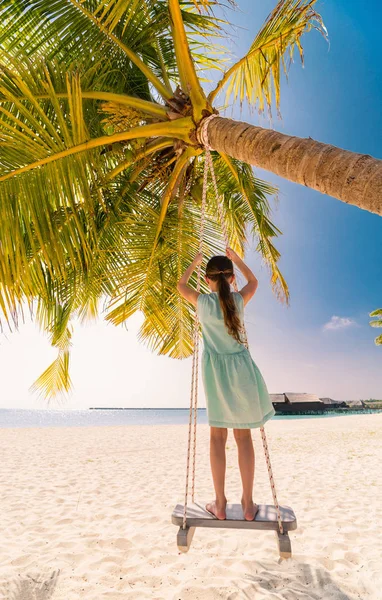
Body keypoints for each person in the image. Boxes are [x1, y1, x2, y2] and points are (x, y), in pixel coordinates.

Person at [177, 247, 275, 521]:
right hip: (241, 369)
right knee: (243, 436)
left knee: (217, 438)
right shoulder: (238, 301)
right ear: (231, 279)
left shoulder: (203, 303)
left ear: (208, 280)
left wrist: (194, 262)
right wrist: (238, 260)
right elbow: (254, 282)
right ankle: (247, 504)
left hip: (215, 373)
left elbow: (181, 285)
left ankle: (219, 503)